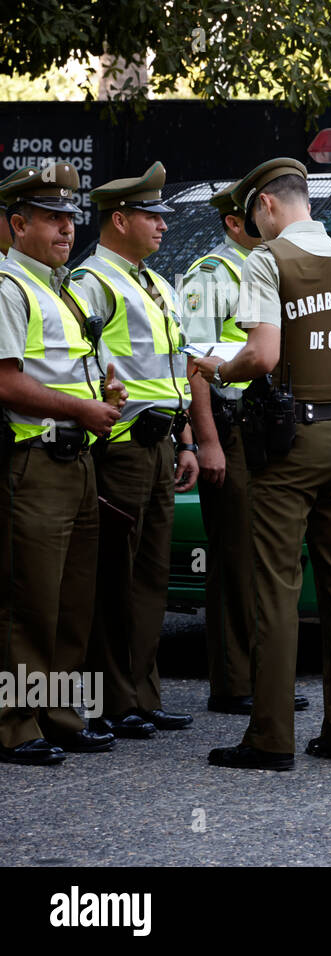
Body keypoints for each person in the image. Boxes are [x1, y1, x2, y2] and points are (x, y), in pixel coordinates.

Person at [196, 157, 331, 770]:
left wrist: (218, 369)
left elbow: (261, 355)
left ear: (265, 207)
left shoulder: (268, 260)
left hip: (288, 448)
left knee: (276, 587)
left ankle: (271, 737)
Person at [0, 163, 126, 764]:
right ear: (17, 223)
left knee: (74, 600)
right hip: (36, 461)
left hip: (76, 459)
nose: (65, 228)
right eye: (50, 218)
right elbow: (6, 384)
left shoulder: (55, 285)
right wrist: (81, 407)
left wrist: (101, 403)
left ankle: (60, 712)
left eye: (69, 218)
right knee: (30, 601)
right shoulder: (9, 286)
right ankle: (15, 724)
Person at [73, 162, 199, 742]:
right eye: (152, 216)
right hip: (120, 448)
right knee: (113, 582)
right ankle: (109, 701)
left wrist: (189, 440)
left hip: (161, 445)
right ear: (119, 219)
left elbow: (178, 368)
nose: (162, 226)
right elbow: (79, 367)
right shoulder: (92, 283)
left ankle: (141, 697)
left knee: (150, 582)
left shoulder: (155, 282)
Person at [179, 182, 308, 717]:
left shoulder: (267, 266)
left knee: (261, 555)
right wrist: (208, 440)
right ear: (236, 223)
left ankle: (263, 674)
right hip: (229, 427)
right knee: (233, 556)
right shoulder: (213, 275)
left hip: (262, 427)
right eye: (254, 213)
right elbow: (195, 363)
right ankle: (235, 682)